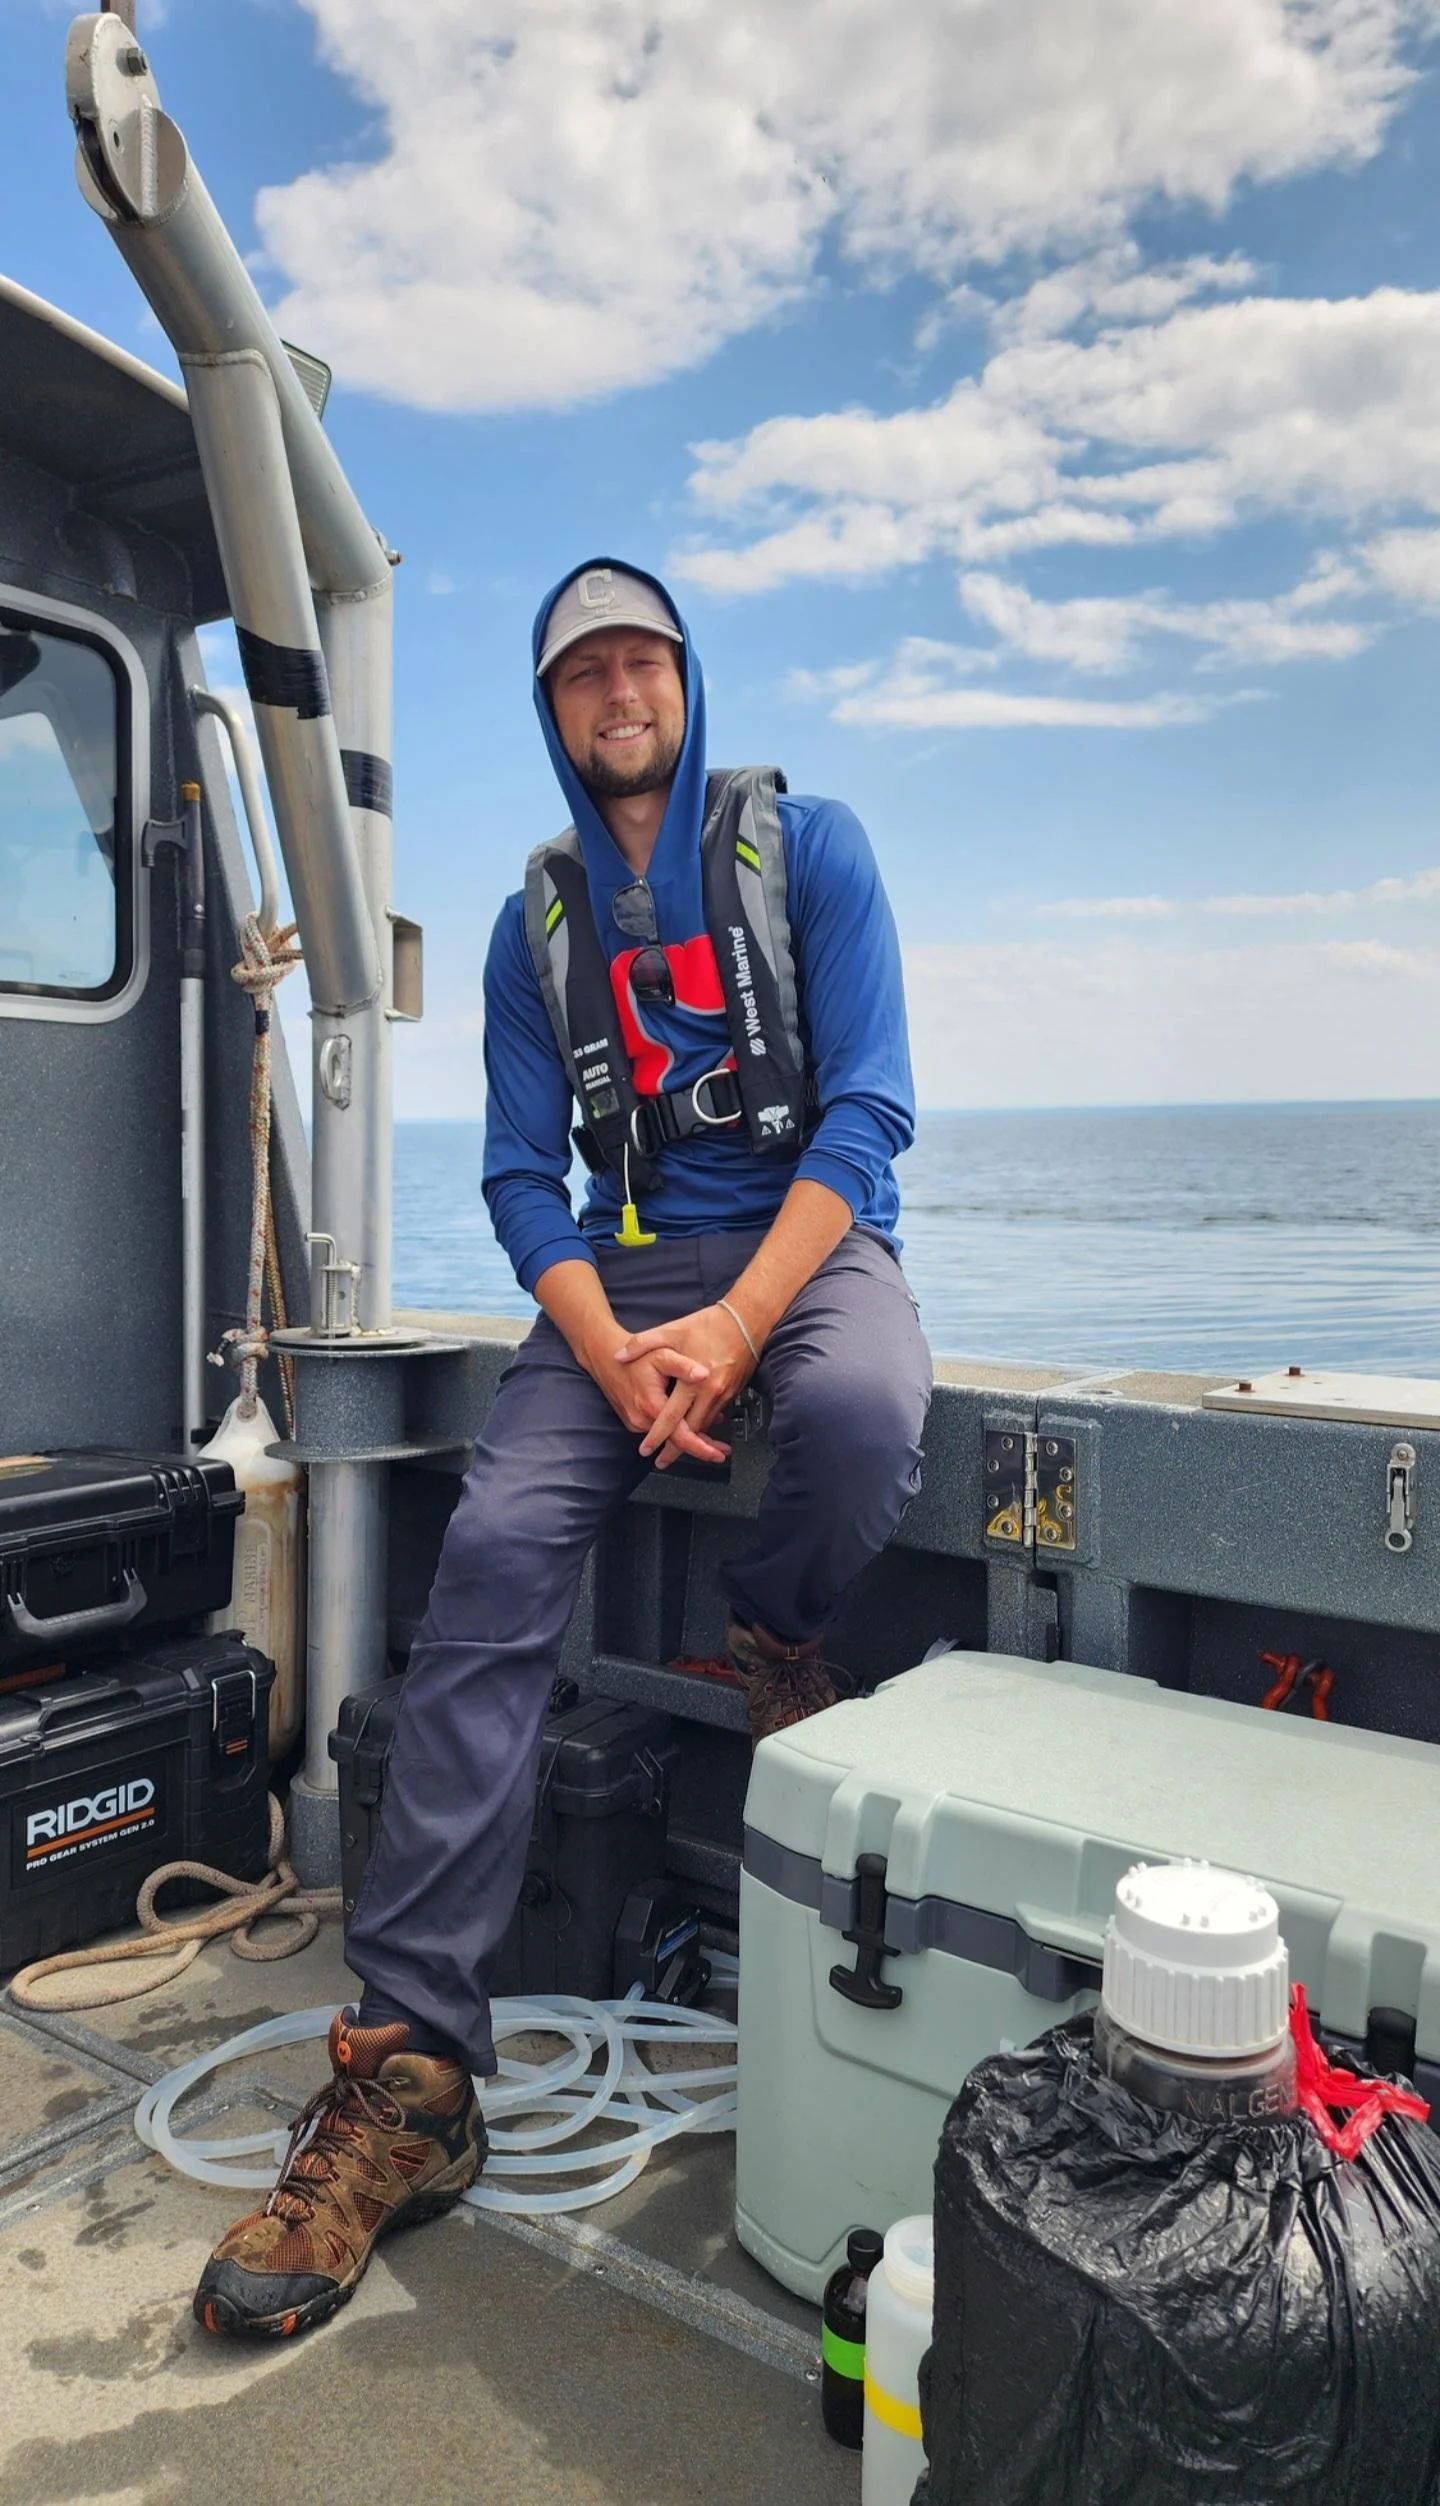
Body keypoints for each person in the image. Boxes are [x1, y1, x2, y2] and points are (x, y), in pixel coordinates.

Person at [194, 559, 932, 2339]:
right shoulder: (534, 927)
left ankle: (771, 1632)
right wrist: (613, 1351)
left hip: (806, 1249)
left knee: (858, 1417)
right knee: (498, 1552)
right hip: (619, 1285)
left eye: (642, 659)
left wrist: (737, 1330)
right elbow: (525, 1179)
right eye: (584, 670)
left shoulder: (814, 851)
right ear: (552, 711)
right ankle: (412, 2071)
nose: (620, 690)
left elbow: (870, 1115)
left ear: (687, 678)